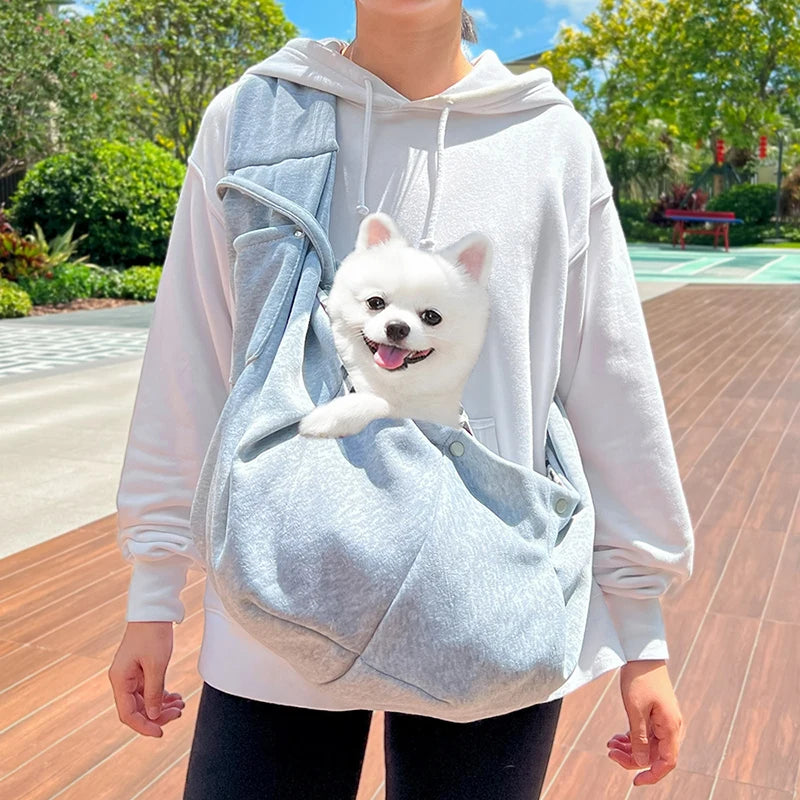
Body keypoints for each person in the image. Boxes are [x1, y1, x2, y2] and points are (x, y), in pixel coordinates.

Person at [108, 3, 694, 798]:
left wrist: (643, 635)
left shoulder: (550, 140)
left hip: (489, 599)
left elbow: (608, 383)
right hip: (277, 593)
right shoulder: (254, 118)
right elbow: (194, 362)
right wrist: (153, 590)